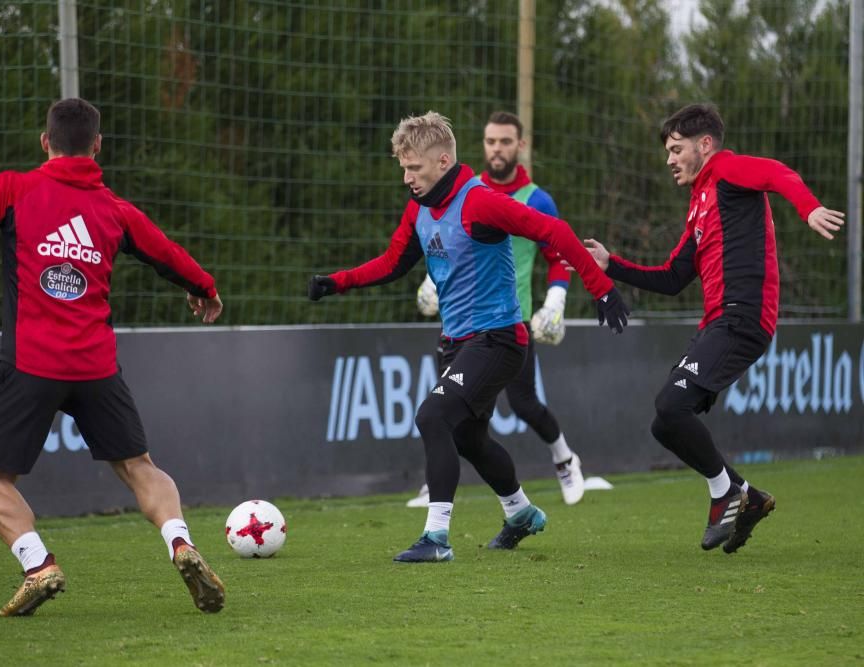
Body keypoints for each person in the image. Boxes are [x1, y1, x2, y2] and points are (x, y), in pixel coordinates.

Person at [0, 98, 227, 615]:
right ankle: (180, 542)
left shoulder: (14, 189)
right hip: (96, 367)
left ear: (45, 142)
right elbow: (167, 253)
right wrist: (203, 287)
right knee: (140, 466)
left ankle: (37, 564)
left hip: (32, 365)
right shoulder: (115, 210)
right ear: (97, 146)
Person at [308, 111, 629, 562]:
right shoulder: (419, 206)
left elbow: (553, 231)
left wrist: (602, 288)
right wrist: (337, 282)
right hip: (457, 341)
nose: (406, 177)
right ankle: (520, 513)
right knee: (468, 439)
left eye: (413, 168)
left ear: (442, 161)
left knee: (432, 417)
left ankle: (436, 538)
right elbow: (392, 263)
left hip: (498, 339)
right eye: (402, 168)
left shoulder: (479, 202)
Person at [584, 103, 845, 554]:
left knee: (671, 404)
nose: (669, 159)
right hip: (717, 323)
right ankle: (747, 496)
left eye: (676, 149)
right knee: (665, 424)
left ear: (704, 145)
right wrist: (611, 266)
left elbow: (777, 173)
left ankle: (725, 493)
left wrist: (809, 209)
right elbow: (671, 277)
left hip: (742, 315)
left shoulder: (727, 171)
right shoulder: (700, 203)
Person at [408, 110, 587, 509]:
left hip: (510, 320)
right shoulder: (460, 192)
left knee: (523, 403)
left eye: (506, 141)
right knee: (450, 410)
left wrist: (554, 301)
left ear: (520, 145)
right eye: (491, 141)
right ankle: (437, 484)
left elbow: (557, 254)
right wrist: (430, 282)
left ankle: (564, 459)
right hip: (460, 322)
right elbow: (440, 240)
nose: (497, 149)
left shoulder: (537, 198)